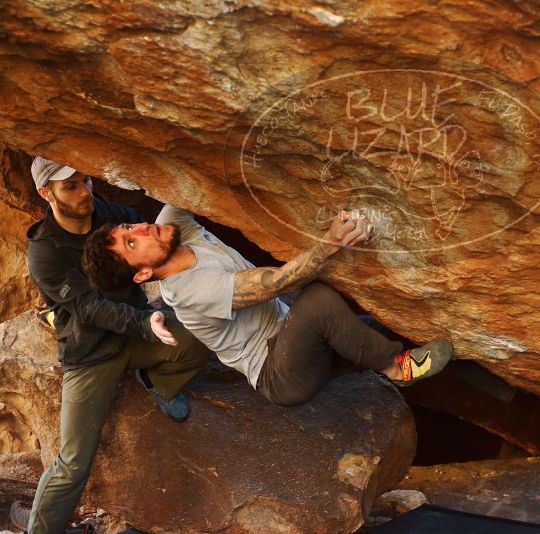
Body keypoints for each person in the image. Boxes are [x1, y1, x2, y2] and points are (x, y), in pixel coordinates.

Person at [82, 204, 453, 407]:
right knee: (319, 301)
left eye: (128, 230)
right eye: (131, 244)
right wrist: (329, 242)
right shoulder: (190, 291)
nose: (142, 229)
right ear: (142, 275)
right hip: (280, 373)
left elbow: (187, 183)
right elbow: (277, 284)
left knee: (369, 327)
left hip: (295, 341)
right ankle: (396, 367)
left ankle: (395, 355)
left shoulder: (172, 228)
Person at [12, 157, 211, 534]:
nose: (85, 190)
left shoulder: (108, 212)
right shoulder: (46, 251)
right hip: (90, 356)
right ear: (45, 193)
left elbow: (154, 236)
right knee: (73, 461)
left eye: (85, 179)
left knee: (199, 339)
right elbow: (88, 307)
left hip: (138, 334)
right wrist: (145, 322)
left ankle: (156, 381)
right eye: (70, 186)